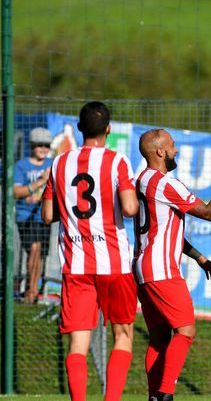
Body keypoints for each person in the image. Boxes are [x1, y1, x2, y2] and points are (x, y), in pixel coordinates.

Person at [133, 129, 211, 401]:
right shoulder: (165, 183)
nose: (177, 151)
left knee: (160, 340)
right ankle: (165, 394)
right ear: (160, 151)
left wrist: (199, 257)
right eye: (172, 146)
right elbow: (209, 213)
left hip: (143, 268)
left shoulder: (142, 180)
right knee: (186, 330)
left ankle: (154, 396)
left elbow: (165, 229)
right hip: (161, 270)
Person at [41, 101, 139, 401]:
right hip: (115, 264)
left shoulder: (59, 163)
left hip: (76, 265)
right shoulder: (117, 162)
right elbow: (130, 208)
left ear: (80, 128)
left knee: (77, 346)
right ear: (108, 129)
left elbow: (47, 215)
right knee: (122, 336)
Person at [14, 127, 53, 303]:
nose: (43, 149)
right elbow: (16, 192)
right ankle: (31, 290)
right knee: (35, 249)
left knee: (40, 253)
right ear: (32, 145)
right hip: (26, 216)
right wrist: (41, 182)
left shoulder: (53, 163)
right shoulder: (21, 166)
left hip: (45, 216)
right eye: (39, 145)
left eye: (47, 145)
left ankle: (34, 289)